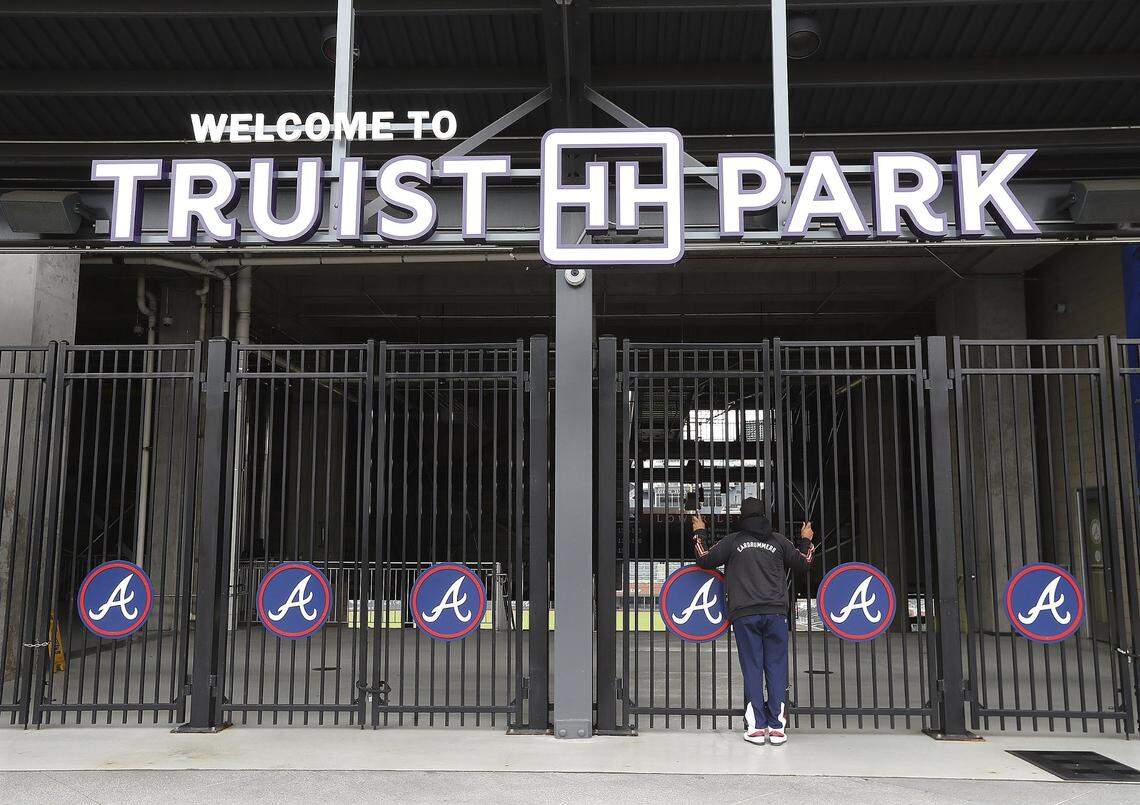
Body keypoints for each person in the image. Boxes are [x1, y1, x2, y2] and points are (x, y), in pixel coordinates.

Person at [691, 497, 815, 747]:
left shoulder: (733, 541)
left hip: (745, 614)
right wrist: (806, 539)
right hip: (776, 613)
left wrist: (699, 532)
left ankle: (757, 727)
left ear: (742, 517)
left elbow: (704, 559)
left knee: (752, 668)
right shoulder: (779, 540)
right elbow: (804, 563)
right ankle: (777, 728)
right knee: (776, 667)